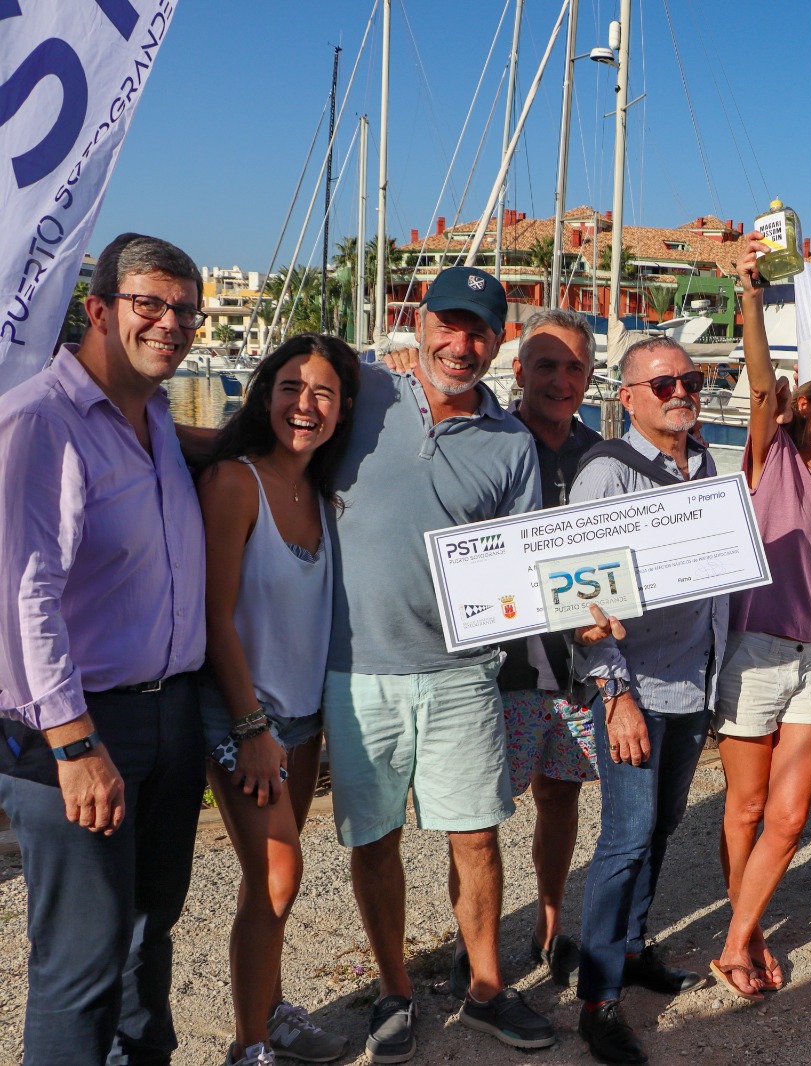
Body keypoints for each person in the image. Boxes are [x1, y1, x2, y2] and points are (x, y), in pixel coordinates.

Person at [320, 266, 550, 1061]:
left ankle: (485, 987)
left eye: (479, 330)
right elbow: (269, 445)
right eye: (448, 324)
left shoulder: (511, 442)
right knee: (374, 840)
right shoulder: (362, 394)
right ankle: (393, 990)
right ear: (420, 323)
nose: (461, 344)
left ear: (498, 341)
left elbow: (522, 564)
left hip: (461, 675)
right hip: (357, 672)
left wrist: (584, 606)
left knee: (477, 839)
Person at [0, 233, 208, 1064]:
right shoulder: (40, 422)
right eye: (148, 304)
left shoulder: (153, 417)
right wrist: (73, 744)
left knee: (146, 941)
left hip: (170, 718)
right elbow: (21, 598)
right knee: (80, 966)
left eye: (186, 310)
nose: (171, 323)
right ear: (97, 309)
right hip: (80, 729)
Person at [412, 308, 606, 997]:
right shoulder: (488, 441)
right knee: (475, 820)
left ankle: (550, 929)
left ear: (589, 377)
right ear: (518, 370)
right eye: (545, 365)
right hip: (495, 671)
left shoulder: (602, 457)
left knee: (560, 798)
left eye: (574, 367)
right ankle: (476, 948)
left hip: (575, 671)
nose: (560, 380)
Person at [710, 246, 811, 999]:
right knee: (746, 807)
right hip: (754, 651)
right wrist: (751, 301)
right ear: (805, 406)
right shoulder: (771, 457)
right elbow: (758, 382)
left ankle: (736, 939)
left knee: (791, 814)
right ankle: (746, 934)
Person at [195, 334, 361, 1066]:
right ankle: (250, 1048)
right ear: (265, 394)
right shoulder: (235, 483)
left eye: (324, 392)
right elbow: (214, 618)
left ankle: (272, 1012)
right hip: (243, 713)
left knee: (273, 887)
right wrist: (251, 726)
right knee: (276, 875)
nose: (306, 404)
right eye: (291, 386)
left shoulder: (323, 493)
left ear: (343, 410)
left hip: (302, 715)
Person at [569, 336, 726, 1066]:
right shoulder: (605, 472)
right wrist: (615, 696)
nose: (679, 392)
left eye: (689, 380)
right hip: (633, 690)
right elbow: (577, 598)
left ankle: (632, 950)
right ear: (628, 397)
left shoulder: (707, 465)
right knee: (626, 838)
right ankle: (597, 1001)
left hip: (692, 683)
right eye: (662, 384)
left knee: (661, 829)